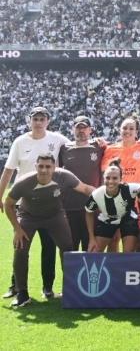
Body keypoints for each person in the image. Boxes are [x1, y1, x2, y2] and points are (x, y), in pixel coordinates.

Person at [4, 154, 93, 308]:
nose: (44, 170)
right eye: (41, 166)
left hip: (55, 216)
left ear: (54, 167)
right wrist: (17, 229)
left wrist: (105, 194)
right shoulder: (24, 182)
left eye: (48, 166)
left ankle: (71, 289)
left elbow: (85, 188)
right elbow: (8, 204)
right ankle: (22, 294)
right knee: (20, 249)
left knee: (68, 250)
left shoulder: (64, 177)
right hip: (28, 216)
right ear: (36, 166)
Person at [0, 106, 70, 300]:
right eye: (35, 118)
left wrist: (99, 142)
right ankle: (16, 287)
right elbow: (9, 170)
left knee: (49, 247)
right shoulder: (20, 141)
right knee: (20, 246)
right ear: (29, 120)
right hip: (25, 204)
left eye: (42, 118)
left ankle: (47, 287)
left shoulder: (58, 139)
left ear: (48, 121)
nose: (38, 122)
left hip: (50, 204)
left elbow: (77, 146)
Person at [58, 115, 105, 252]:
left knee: (90, 247)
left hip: (92, 206)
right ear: (73, 129)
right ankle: (68, 274)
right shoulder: (64, 149)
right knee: (69, 247)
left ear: (90, 130)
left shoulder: (99, 147)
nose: (81, 131)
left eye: (84, 128)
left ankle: (87, 274)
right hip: (70, 206)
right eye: (78, 128)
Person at [85, 162, 140, 253]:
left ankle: (124, 267)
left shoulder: (129, 188)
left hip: (127, 219)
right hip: (107, 220)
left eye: (115, 178)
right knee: (93, 252)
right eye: (108, 178)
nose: (111, 181)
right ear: (103, 178)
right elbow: (88, 212)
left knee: (129, 253)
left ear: (121, 179)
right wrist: (91, 238)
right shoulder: (97, 194)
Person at [100, 116, 140, 184]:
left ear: (136, 132)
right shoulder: (110, 149)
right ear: (120, 130)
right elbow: (103, 169)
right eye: (124, 128)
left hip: (136, 191)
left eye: (131, 129)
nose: (127, 131)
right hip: (117, 191)